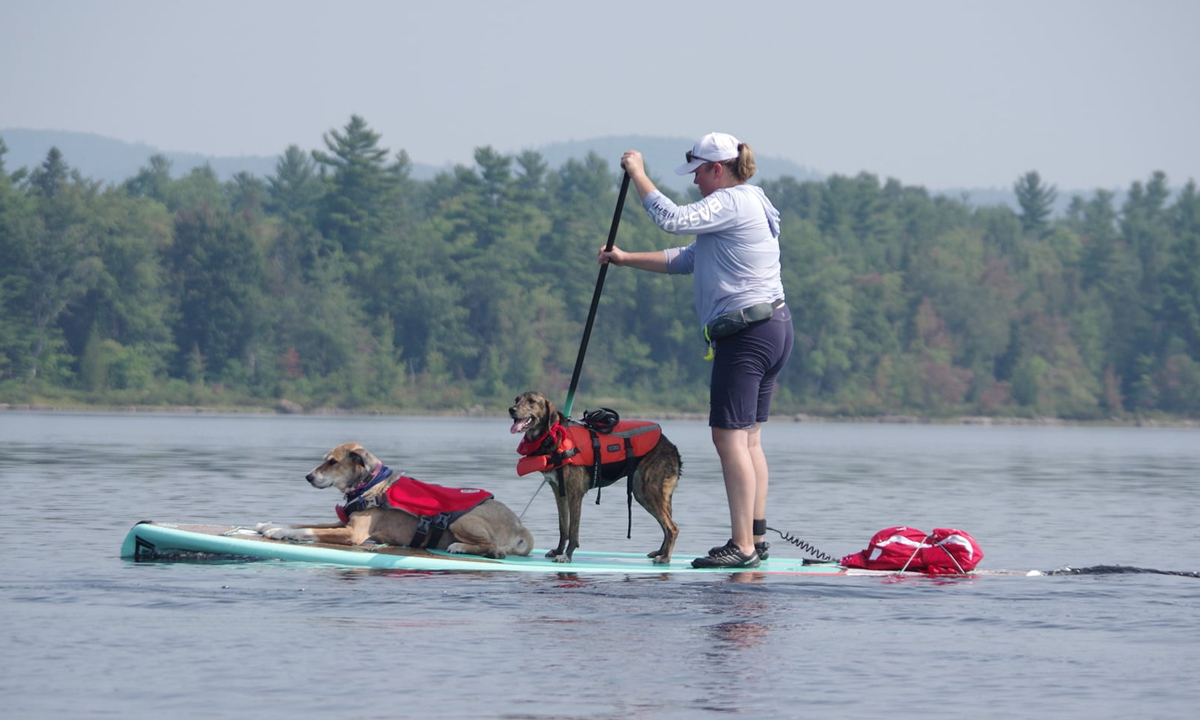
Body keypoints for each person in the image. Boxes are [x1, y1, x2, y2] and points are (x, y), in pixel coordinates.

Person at [598, 132, 794, 569]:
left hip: (746, 335)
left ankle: (741, 547)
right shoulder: (752, 202)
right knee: (749, 439)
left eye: (699, 174)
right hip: (773, 327)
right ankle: (755, 539)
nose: (696, 183)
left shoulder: (730, 201)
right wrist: (626, 259)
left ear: (717, 169)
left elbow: (670, 218)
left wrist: (639, 174)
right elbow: (688, 258)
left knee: (728, 438)